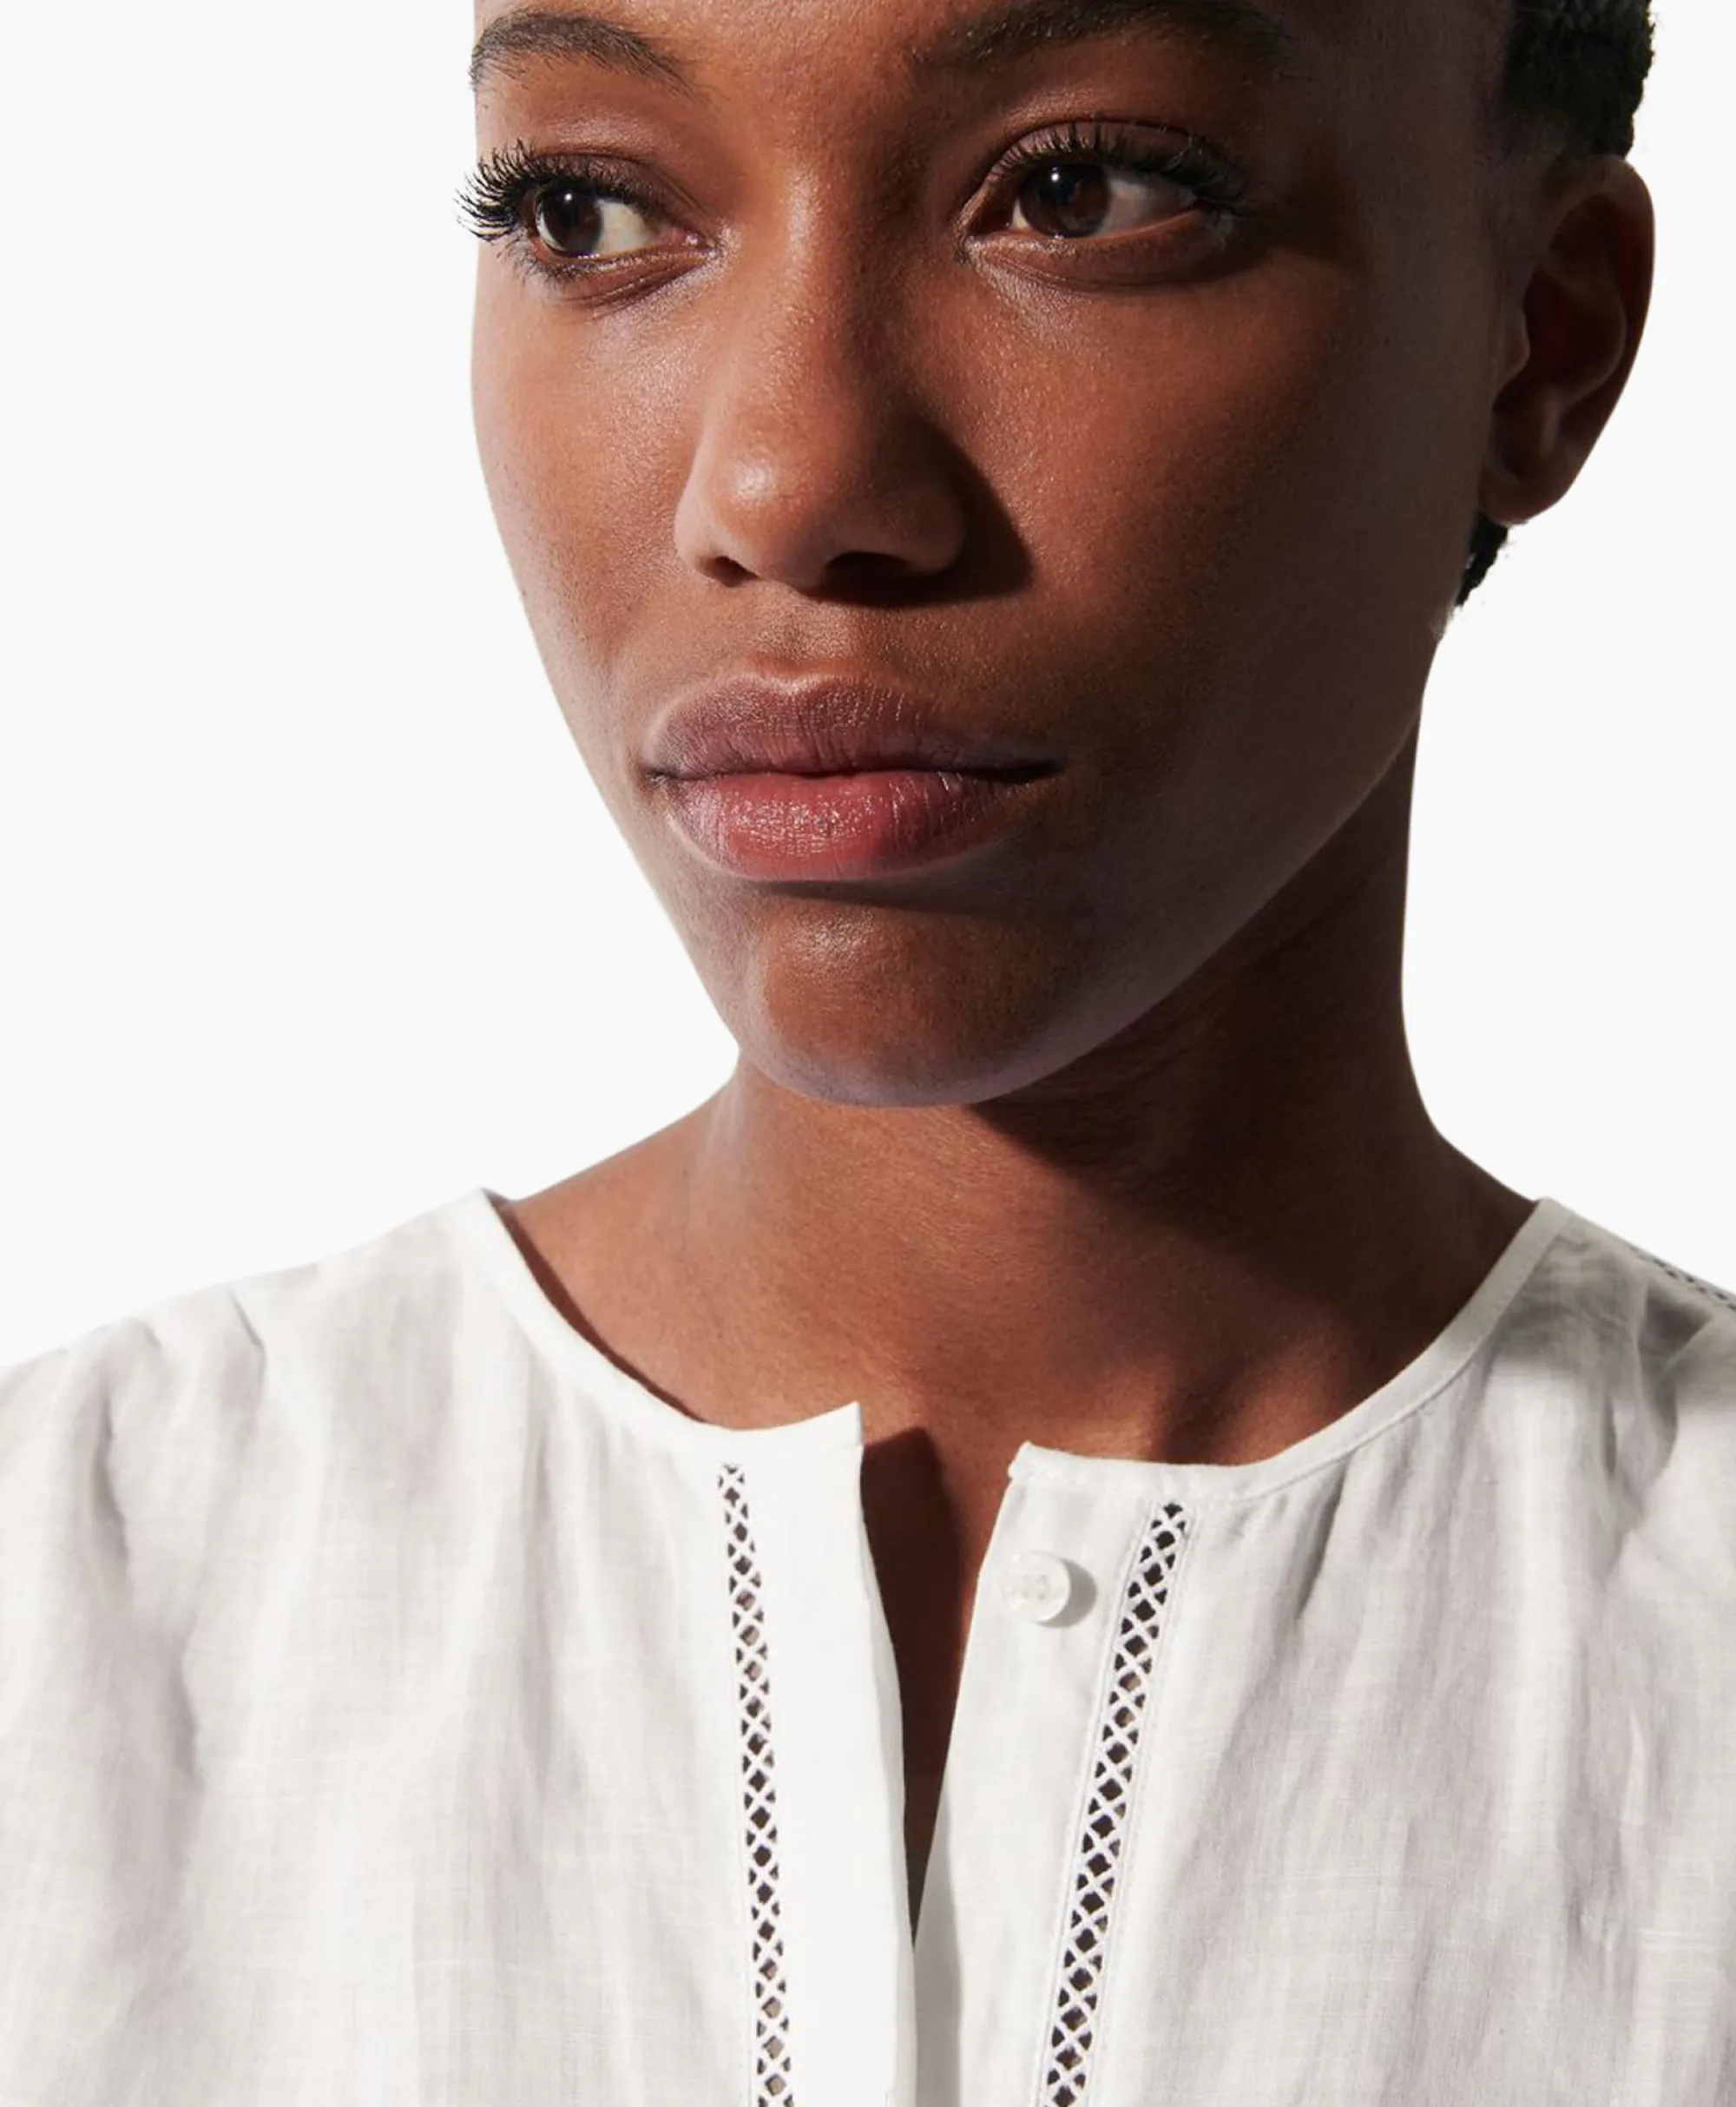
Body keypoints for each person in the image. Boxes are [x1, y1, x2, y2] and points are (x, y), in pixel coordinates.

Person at [1, 0, 1729, 2099]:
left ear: (1542, 342)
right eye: (587, 208)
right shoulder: (62, 1608)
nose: (784, 485)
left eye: (1080, 193)